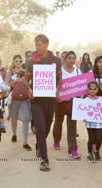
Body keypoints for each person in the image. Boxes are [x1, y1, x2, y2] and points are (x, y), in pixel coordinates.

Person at [25, 34, 62, 171]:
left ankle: (39, 145)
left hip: (50, 99)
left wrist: (57, 89)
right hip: (36, 100)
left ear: (46, 44)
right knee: (40, 128)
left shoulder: (56, 60)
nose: (37, 47)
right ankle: (44, 160)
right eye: (36, 44)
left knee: (47, 126)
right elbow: (25, 79)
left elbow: (60, 78)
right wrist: (29, 89)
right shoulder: (31, 61)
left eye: (40, 44)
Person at [52, 51, 81, 158]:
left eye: (74, 58)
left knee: (72, 126)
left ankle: (72, 149)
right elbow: (54, 83)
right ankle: (56, 140)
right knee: (58, 122)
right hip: (59, 101)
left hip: (73, 102)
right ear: (65, 59)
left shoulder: (78, 71)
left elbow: (81, 86)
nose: (72, 60)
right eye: (70, 58)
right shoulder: (59, 71)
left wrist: (79, 96)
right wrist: (56, 94)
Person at [8, 69, 32, 150]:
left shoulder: (28, 79)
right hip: (15, 100)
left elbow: (30, 88)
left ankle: (25, 142)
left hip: (24, 100)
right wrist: (16, 81)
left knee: (25, 118)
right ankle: (14, 134)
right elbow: (8, 86)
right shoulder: (12, 77)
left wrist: (25, 82)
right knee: (13, 119)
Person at [84, 81, 102, 162]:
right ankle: (90, 154)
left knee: (99, 138)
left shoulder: (101, 99)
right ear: (88, 90)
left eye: (95, 89)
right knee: (91, 139)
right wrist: (83, 118)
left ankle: (96, 151)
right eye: (90, 89)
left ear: (98, 89)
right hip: (89, 124)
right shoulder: (86, 100)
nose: (92, 90)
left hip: (99, 124)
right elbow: (83, 111)